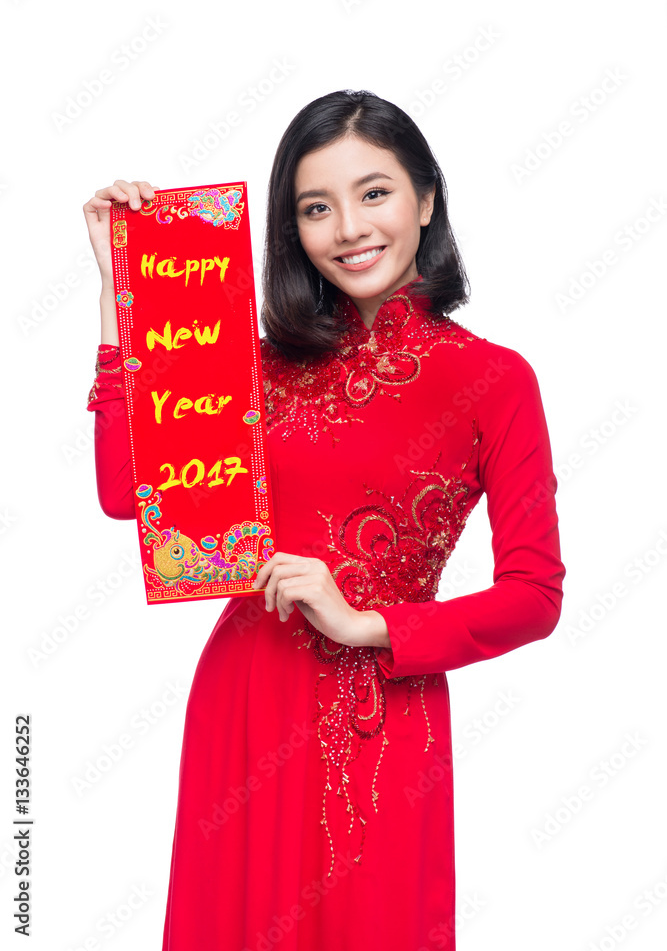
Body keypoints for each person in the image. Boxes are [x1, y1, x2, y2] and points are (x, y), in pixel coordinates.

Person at [83, 89, 566, 950]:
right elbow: (130, 495)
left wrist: (368, 622)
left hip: (384, 717)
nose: (347, 227)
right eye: (316, 207)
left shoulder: (495, 381)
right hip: (246, 700)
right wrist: (129, 299)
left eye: (373, 193)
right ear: (292, 228)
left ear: (425, 199)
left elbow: (533, 595)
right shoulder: (257, 367)